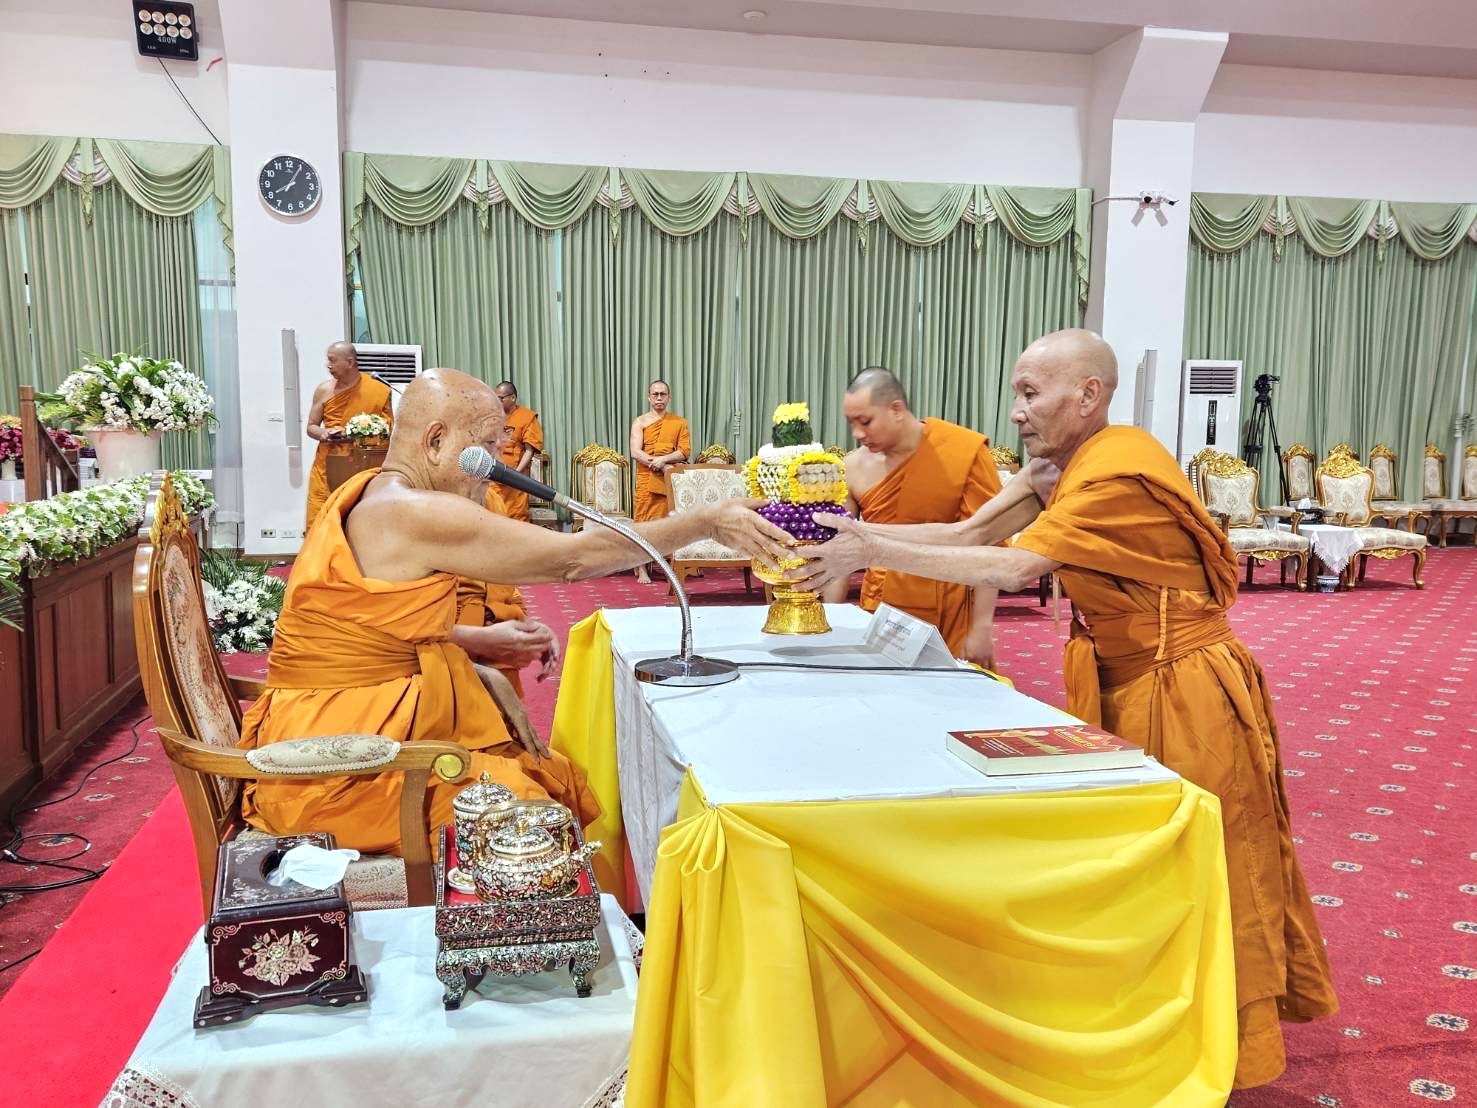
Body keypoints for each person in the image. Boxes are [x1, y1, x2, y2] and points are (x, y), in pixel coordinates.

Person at [793, 329, 1336, 1089]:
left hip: (1181, 685)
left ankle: (1220, 1040)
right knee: (1136, 858)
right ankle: (1148, 1022)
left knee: (1203, 858)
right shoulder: (1059, 464)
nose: (1016, 410)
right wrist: (856, 534)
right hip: (1117, 673)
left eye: (1030, 393)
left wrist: (871, 551)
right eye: (1015, 392)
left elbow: (1017, 565)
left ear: (1088, 395)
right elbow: (970, 531)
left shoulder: (1116, 470)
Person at [241, 368, 789, 856]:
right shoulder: (410, 512)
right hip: (336, 761)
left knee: (538, 770)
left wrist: (482, 665)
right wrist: (704, 521)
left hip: (343, 723)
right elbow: (573, 560)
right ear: (435, 441)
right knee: (534, 815)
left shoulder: (373, 493)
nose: (492, 467)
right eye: (483, 447)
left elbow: (381, 632)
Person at [824, 368, 1001, 667]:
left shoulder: (960, 452)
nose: (857, 434)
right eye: (851, 423)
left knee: (951, 693)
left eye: (865, 421)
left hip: (950, 607)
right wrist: (831, 618)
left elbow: (990, 541)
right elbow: (840, 548)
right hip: (882, 611)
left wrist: (982, 628)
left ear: (896, 409)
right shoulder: (852, 467)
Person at [454, 483, 560, 698]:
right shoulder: (414, 504)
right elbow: (402, 624)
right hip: (440, 660)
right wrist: (478, 639)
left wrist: (528, 627)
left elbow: (504, 582)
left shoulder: (493, 499)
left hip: (497, 638)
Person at [304, 342, 394, 531]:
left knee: (360, 521)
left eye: (332, 360)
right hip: (328, 465)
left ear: (350, 362)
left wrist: (360, 433)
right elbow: (311, 427)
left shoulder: (377, 390)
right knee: (321, 519)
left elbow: (388, 429)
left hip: (363, 466)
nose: (328, 365)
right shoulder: (324, 390)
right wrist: (324, 433)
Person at [629, 379, 690, 584]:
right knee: (643, 524)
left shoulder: (679, 422)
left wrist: (663, 460)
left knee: (668, 525)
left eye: (663, 394)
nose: (659, 398)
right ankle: (641, 567)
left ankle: (668, 566)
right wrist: (656, 463)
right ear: (649, 397)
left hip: (668, 481)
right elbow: (635, 452)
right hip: (647, 479)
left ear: (669, 397)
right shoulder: (640, 422)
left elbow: (684, 451)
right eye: (655, 394)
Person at [492, 381, 544, 522]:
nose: (497, 402)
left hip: (515, 478)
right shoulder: (493, 417)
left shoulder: (526, 417)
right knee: (494, 514)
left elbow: (529, 450)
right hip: (494, 476)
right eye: (496, 398)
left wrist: (515, 473)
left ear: (513, 398)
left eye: (501, 398)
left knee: (516, 518)